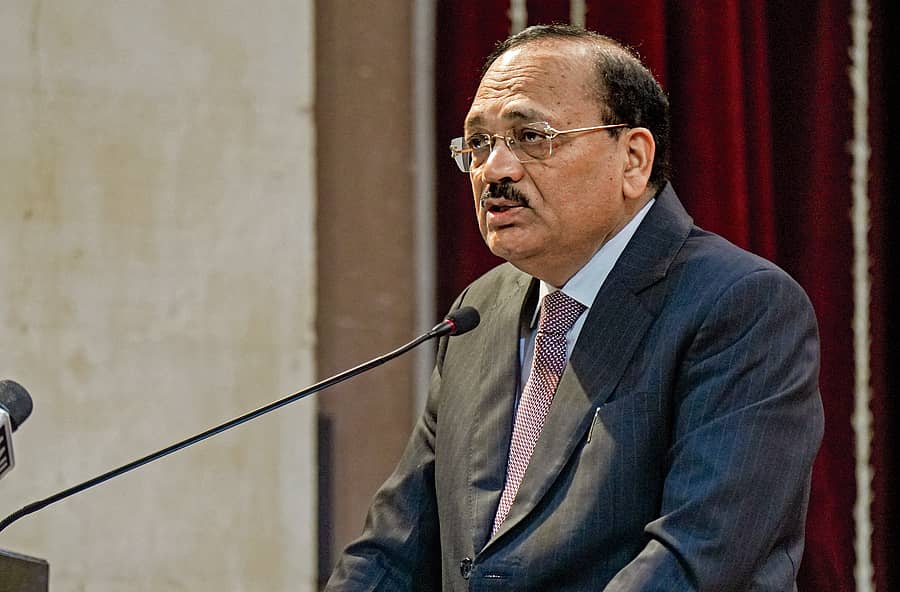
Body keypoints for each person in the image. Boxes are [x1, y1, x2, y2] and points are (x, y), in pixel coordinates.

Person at [325, 24, 823, 591]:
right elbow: (393, 548)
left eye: (532, 136)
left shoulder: (739, 304)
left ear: (633, 159)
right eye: (479, 144)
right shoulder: (479, 310)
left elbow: (693, 558)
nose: (495, 170)